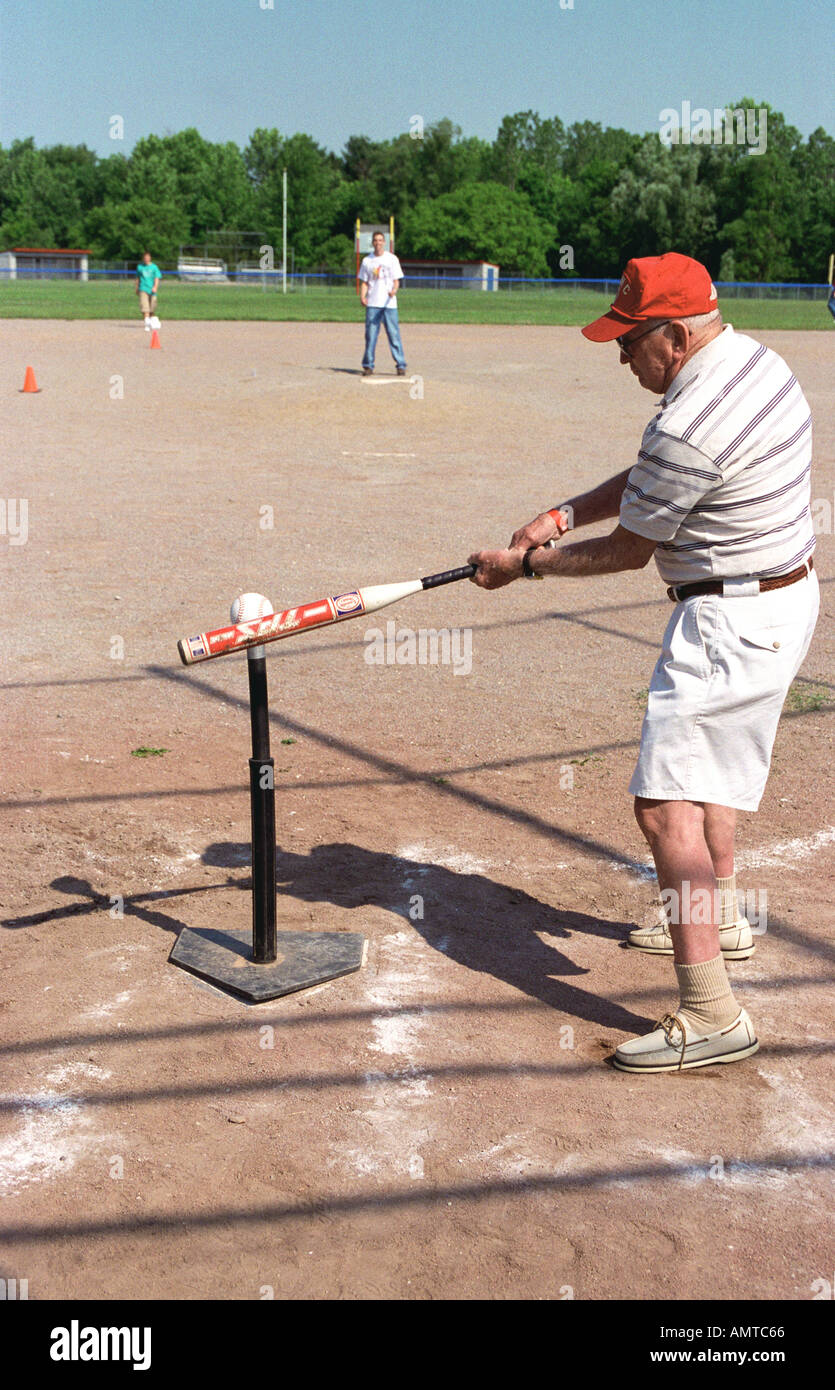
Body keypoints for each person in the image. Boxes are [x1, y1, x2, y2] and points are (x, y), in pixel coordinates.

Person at [468, 252, 818, 1074]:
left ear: (675, 333)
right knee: (707, 782)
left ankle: (709, 1014)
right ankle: (722, 919)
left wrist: (522, 568)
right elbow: (657, 479)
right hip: (780, 600)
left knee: (664, 810)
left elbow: (628, 552)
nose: (621, 356)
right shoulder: (754, 362)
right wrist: (563, 511)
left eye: (630, 342)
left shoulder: (686, 422)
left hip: (728, 622)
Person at [358, 231, 406, 376]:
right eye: (375, 240)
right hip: (373, 303)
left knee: (393, 335)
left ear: (384, 242)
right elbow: (365, 282)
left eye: (380, 240)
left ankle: (400, 364)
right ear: (372, 243)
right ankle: (368, 365)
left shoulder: (392, 259)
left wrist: (394, 290)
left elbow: (396, 280)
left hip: (389, 304)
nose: (378, 243)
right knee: (371, 335)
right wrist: (362, 296)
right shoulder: (367, 261)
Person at [135, 251, 161, 330]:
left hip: (152, 290)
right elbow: (138, 278)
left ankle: (153, 322)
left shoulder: (154, 267)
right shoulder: (140, 267)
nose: (146, 259)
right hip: (143, 288)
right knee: (145, 307)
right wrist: (136, 287)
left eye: (147, 257)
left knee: (152, 308)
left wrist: (155, 287)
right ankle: (147, 325)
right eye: (145, 258)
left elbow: (157, 277)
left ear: (150, 258)